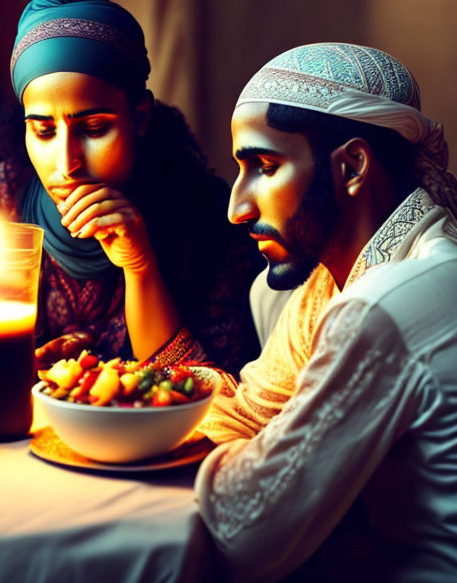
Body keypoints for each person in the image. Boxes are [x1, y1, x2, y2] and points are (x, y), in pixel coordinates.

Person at [195, 42, 457, 581]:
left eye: (264, 166)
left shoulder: (386, 303)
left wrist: (165, 422)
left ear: (353, 166)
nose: (237, 208)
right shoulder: (325, 285)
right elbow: (252, 414)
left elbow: (246, 532)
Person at [0, 0, 262, 373]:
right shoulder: (5, 195)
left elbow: (217, 399)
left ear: (140, 117)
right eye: (43, 131)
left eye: (94, 129)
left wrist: (140, 267)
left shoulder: (208, 216)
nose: (67, 163)